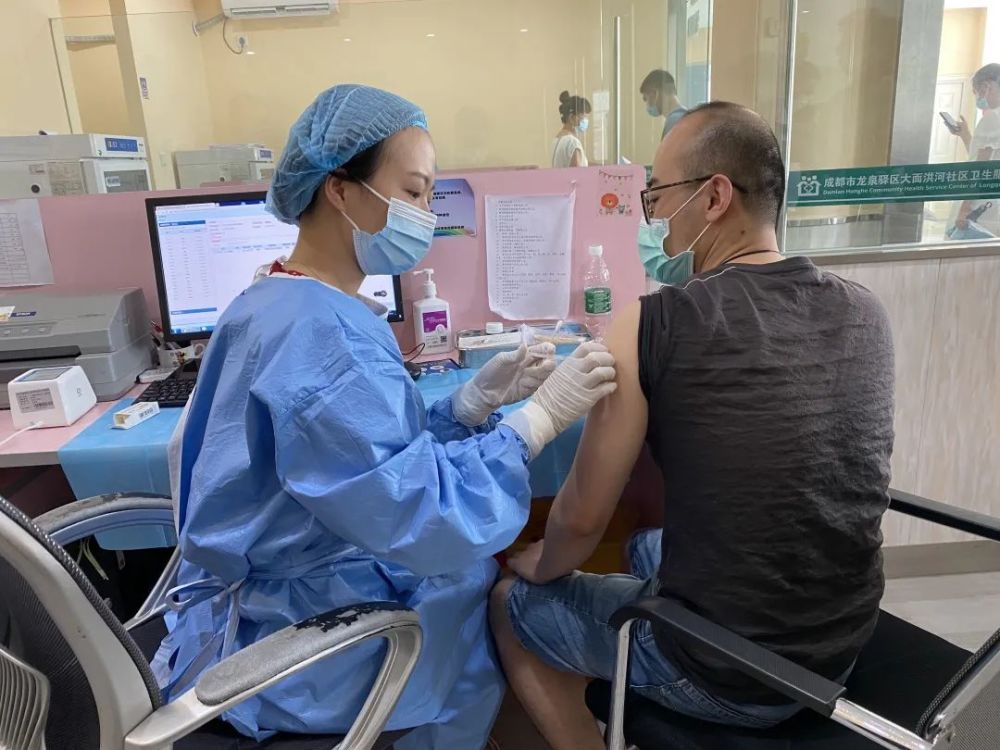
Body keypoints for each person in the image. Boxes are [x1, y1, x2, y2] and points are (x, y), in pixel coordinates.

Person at [153, 84, 618, 748]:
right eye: (414, 192)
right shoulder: (323, 335)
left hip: (271, 603)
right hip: (308, 648)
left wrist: (467, 408)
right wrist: (534, 424)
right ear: (340, 190)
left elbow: (359, 464)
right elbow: (421, 515)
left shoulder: (277, 299)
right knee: (496, 601)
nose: (426, 215)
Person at [491, 102, 895, 750]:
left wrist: (541, 564)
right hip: (838, 651)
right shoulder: (866, 311)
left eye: (657, 196)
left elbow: (583, 519)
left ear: (714, 197)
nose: (653, 219)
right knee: (646, 545)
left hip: (723, 674)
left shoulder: (653, 322)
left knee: (511, 602)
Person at [949, 63, 1000, 237]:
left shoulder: (993, 118)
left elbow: (980, 167)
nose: (977, 97)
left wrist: (964, 210)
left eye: (976, 91)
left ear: (986, 87)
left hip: (981, 208)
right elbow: (983, 155)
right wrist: (966, 136)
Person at [641, 69, 687, 140]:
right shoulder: (685, 116)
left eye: (646, 98)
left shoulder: (674, 122)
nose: (647, 104)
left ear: (655, 93)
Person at [552, 91, 591, 168]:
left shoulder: (556, 140)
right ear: (571, 117)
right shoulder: (572, 142)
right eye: (583, 117)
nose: (586, 121)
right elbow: (577, 172)